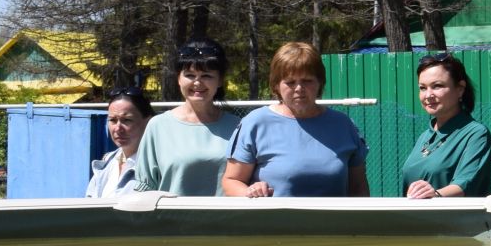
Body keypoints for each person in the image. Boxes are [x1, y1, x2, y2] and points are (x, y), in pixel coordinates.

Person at [223, 42, 370, 197]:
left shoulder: (343, 125)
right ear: (276, 85)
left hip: (333, 221)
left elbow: (358, 187)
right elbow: (231, 181)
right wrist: (250, 191)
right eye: (290, 82)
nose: (299, 88)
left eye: (307, 80)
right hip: (271, 221)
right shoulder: (255, 123)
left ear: (320, 83)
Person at [136, 38, 242, 195]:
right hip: (172, 219)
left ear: (220, 80)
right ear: (178, 78)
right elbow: (146, 188)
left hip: (226, 218)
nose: (197, 83)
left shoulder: (239, 127)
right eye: (190, 75)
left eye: (206, 75)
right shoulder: (158, 126)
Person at [400, 52, 491, 198]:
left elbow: (465, 183)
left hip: (454, 220)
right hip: (415, 220)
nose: (428, 95)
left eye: (437, 86)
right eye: (423, 88)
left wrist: (436, 195)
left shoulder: (476, 134)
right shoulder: (425, 136)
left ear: (460, 89)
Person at [85, 88, 151, 198]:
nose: (118, 128)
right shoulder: (107, 162)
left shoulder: (156, 167)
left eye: (127, 120)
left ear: (148, 122)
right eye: (113, 120)